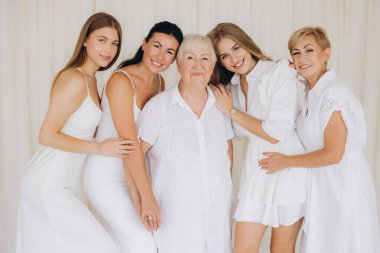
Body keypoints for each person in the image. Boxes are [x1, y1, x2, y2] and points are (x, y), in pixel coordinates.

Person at [16, 12, 131, 253]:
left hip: (62, 184)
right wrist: (100, 148)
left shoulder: (92, 80)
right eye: (102, 40)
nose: (108, 49)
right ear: (85, 40)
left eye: (114, 43)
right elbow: (46, 135)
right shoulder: (74, 78)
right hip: (46, 184)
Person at [259, 26, 380, 253]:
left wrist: (284, 161)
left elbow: (334, 153)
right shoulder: (308, 93)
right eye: (296, 52)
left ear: (326, 54)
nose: (302, 58)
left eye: (309, 50)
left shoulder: (334, 93)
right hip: (324, 184)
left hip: (344, 184)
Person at [83, 21, 183, 253]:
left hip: (136, 175)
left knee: (145, 240)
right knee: (141, 244)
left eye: (169, 52)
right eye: (156, 46)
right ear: (144, 43)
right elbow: (130, 143)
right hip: (105, 176)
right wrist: (146, 197)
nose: (160, 56)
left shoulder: (160, 83)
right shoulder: (121, 81)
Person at [207, 23, 307, 253]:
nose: (234, 58)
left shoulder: (278, 71)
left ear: (247, 44)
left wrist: (232, 111)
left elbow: (275, 133)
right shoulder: (231, 86)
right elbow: (237, 134)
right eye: (225, 55)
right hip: (256, 170)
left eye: (236, 48)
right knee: (242, 249)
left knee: (281, 248)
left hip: (287, 167)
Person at [136, 34, 233, 253]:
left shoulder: (222, 104)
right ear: (178, 65)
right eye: (190, 58)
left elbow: (228, 150)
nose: (198, 65)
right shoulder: (159, 107)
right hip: (176, 217)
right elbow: (136, 154)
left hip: (216, 213)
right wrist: (147, 199)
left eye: (205, 59)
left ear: (213, 65)